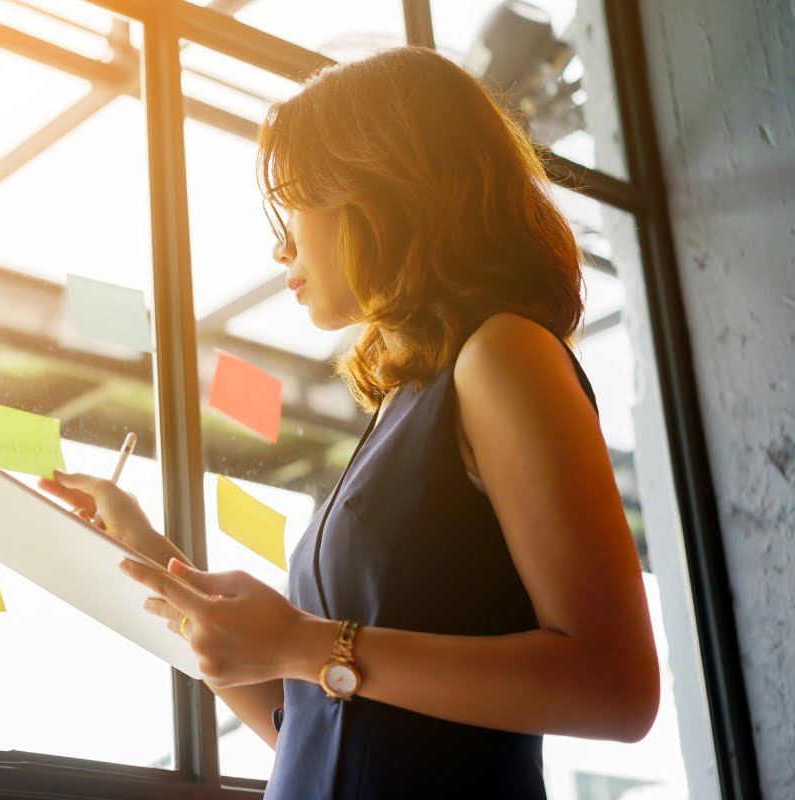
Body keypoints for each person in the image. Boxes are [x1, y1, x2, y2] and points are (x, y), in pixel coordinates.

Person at [39, 46, 659, 799]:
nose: (280, 246)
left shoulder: (503, 356)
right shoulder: (405, 404)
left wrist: (304, 642)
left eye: (293, 202)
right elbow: (317, 723)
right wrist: (141, 554)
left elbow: (617, 689)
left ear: (380, 190)